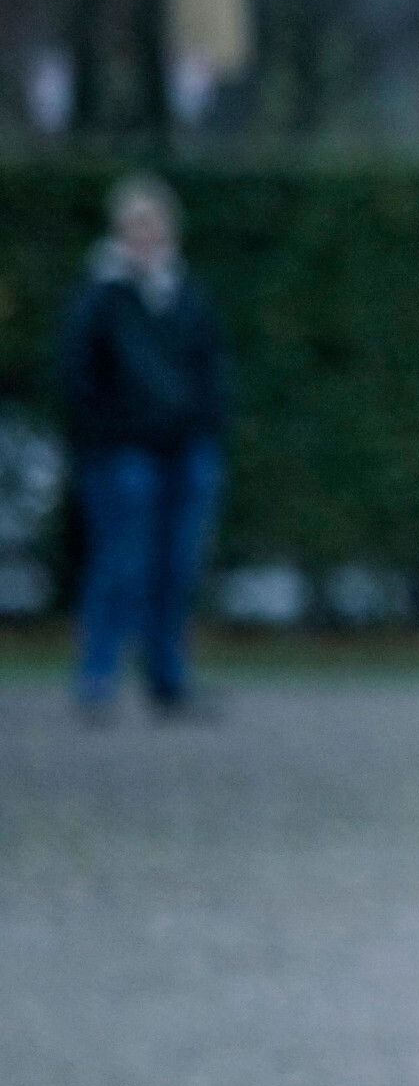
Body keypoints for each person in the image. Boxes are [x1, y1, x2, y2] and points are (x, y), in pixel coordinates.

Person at [58, 174, 230, 722]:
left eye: (153, 225)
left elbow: (211, 369)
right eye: (136, 225)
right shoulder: (99, 297)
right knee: (120, 564)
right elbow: (78, 375)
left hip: (185, 449)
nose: (145, 235)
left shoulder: (188, 293)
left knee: (177, 568)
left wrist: (205, 429)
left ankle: (167, 678)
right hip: (121, 452)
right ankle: (98, 677)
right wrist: (106, 433)